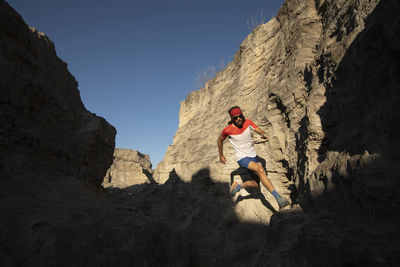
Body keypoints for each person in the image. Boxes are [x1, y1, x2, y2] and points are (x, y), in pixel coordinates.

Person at [217, 106, 290, 209]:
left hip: (253, 156)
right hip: (241, 158)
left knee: (255, 183)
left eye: (240, 116)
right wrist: (221, 155)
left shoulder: (248, 122)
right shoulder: (227, 130)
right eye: (236, 118)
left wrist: (263, 134)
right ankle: (278, 198)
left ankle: (238, 186)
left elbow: (259, 130)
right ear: (232, 119)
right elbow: (219, 141)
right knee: (260, 169)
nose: (239, 119)